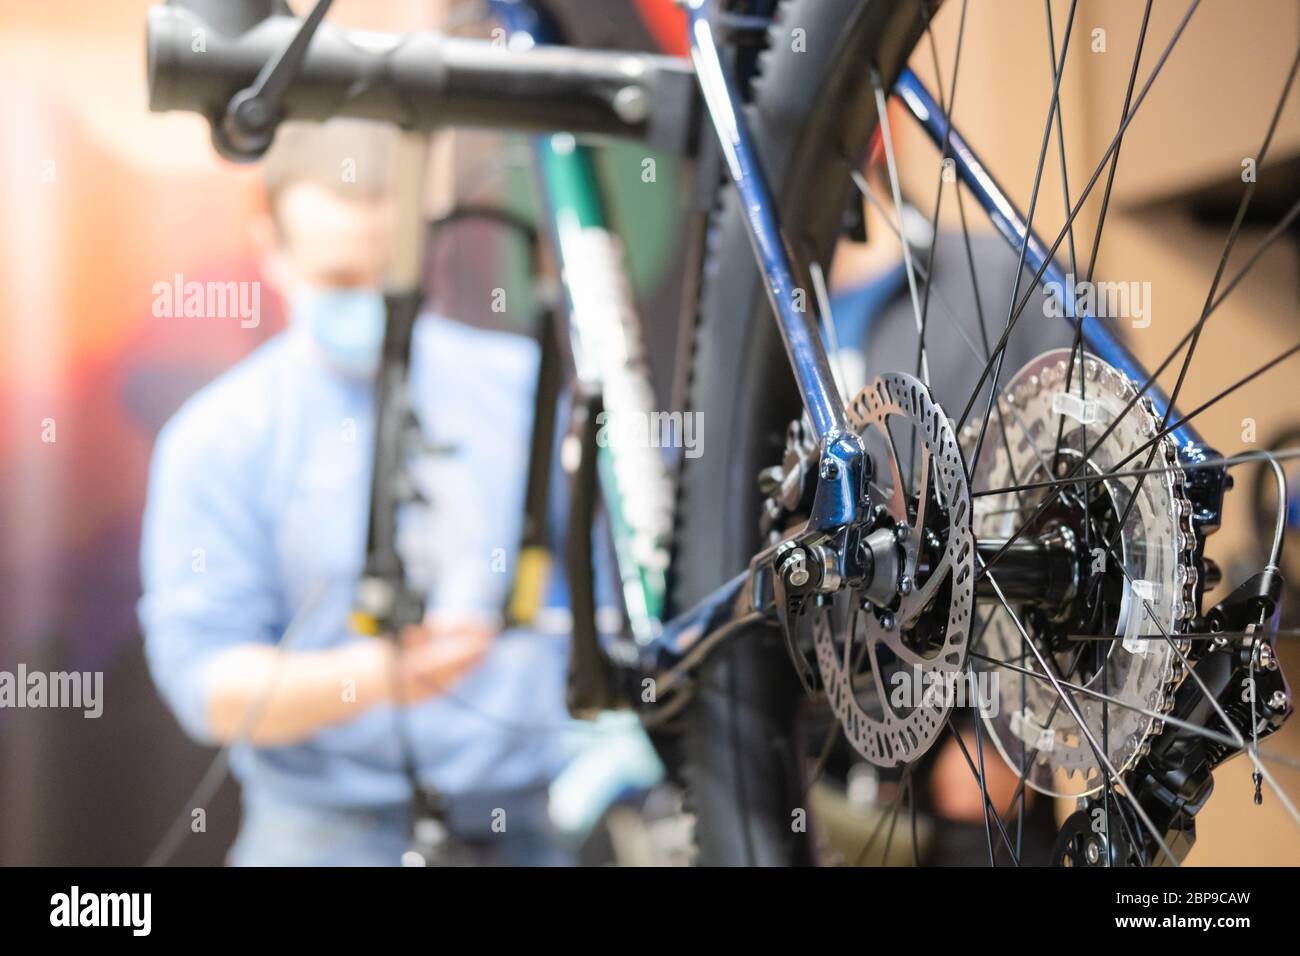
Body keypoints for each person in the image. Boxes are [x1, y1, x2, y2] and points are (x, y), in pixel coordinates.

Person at [138, 120, 575, 866]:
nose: (371, 305)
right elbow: (205, 681)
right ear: (271, 248)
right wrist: (372, 681)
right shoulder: (217, 439)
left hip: (523, 826)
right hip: (319, 835)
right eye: (340, 279)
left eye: (388, 278)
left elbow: (599, 603)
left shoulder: (524, 390)